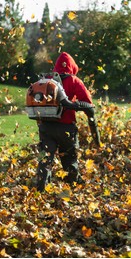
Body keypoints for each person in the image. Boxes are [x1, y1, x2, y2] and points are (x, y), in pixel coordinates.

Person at [35, 52, 95, 191]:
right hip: (66, 128)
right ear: (72, 67)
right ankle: (73, 186)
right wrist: (77, 105)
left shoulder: (45, 80)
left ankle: (41, 188)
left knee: (45, 159)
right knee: (69, 158)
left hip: (46, 127)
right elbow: (88, 103)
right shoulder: (74, 81)